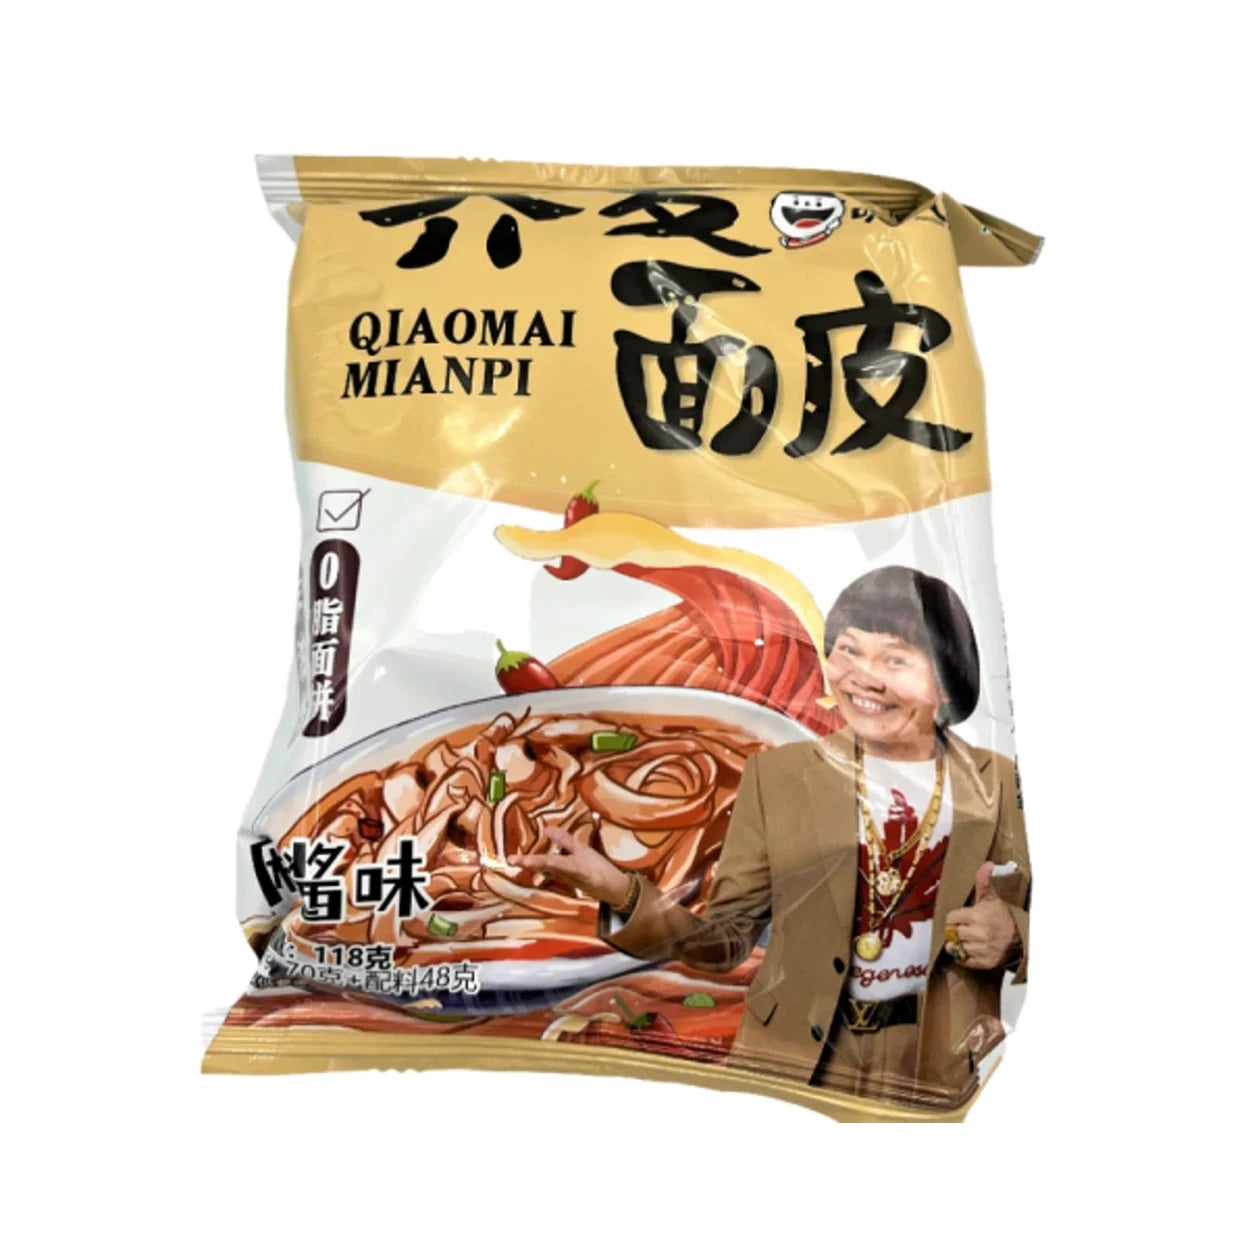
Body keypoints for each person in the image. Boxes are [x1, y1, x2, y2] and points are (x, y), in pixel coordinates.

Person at [511, 566, 1031, 1108]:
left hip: (940, 1061)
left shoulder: (999, 783)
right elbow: (725, 941)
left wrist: (1016, 936)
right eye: (849, 651)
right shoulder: (778, 777)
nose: (864, 678)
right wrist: (622, 893)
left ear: (945, 681)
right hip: (794, 1060)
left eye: (894, 660)